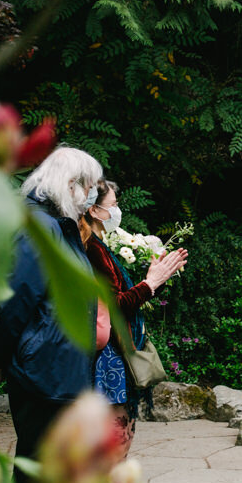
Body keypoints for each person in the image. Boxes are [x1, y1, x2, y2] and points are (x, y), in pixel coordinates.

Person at [0, 146, 104, 483]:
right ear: (70, 184)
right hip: (45, 378)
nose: (91, 195)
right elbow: (13, 303)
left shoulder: (56, 226)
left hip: (56, 374)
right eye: (88, 187)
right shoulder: (40, 227)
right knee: (38, 475)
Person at [81, 180, 187, 462]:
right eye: (113, 205)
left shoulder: (99, 244)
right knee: (116, 434)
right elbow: (116, 305)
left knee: (118, 431)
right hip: (107, 356)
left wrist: (157, 279)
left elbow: (127, 296)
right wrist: (150, 284)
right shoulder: (91, 248)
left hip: (112, 351)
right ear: (94, 209)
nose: (117, 211)